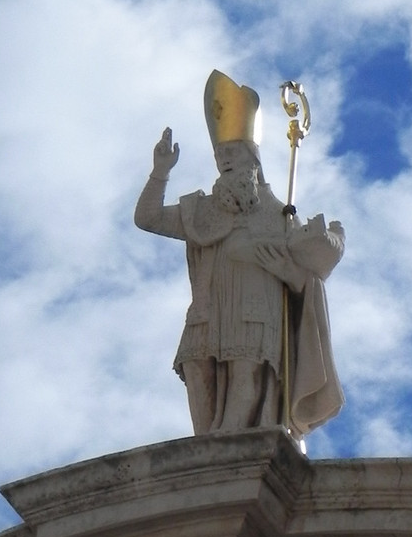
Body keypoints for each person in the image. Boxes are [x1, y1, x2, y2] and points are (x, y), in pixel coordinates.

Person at [135, 70, 345, 436]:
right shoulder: (202, 209)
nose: (224, 160)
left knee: (246, 376)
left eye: (232, 152)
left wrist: (288, 272)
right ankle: (208, 457)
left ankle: (224, 459)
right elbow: (148, 217)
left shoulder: (282, 217)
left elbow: (308, 279)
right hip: (207, 313)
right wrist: (160, 173)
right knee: (199, 374)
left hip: (254, 312)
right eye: (219, 154)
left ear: (253, 158)